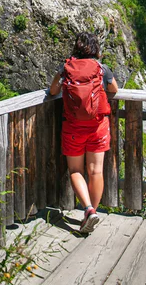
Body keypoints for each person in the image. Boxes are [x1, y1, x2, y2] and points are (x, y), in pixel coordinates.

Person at [48, 32, 118, 233]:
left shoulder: (66, 67)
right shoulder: (101, 68)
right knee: (96, 171)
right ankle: (93, 212)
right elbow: (114, 89)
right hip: (98, 127)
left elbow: (53, 91)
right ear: (95, 48)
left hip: (73, 127)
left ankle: (87, 210)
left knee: (76, 171)